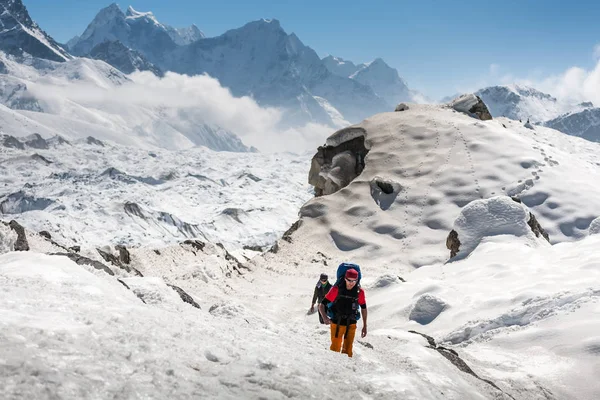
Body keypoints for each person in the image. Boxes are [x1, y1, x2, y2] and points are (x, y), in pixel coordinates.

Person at [319, 268, 367, 358]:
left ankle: (346, 370)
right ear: (345, 278)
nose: (351, 283)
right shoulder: (336, 290)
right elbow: (322, 304)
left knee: (348, 351)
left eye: (354, 281)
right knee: (335, 349)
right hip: (336, 323)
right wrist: (324, 318)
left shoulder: (359, 292)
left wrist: (365, 326)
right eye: (349, 280)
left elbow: (364, 308)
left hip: (351, 324)